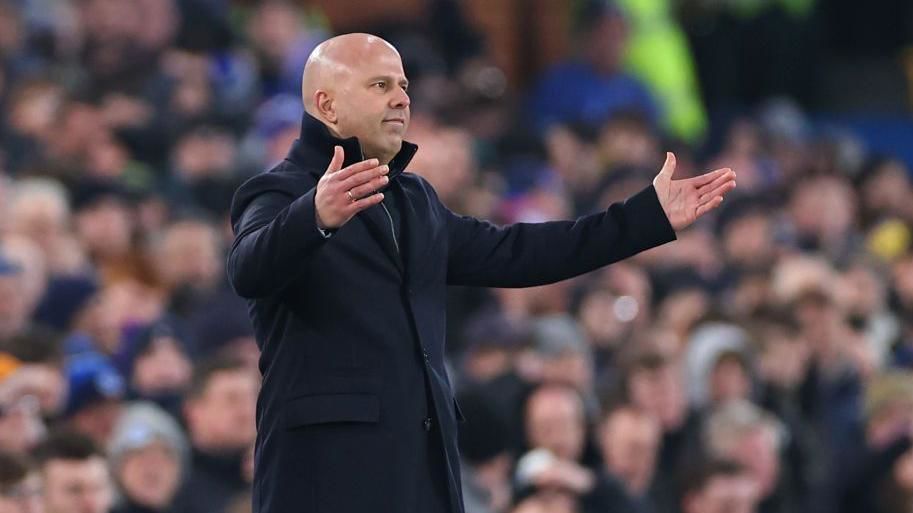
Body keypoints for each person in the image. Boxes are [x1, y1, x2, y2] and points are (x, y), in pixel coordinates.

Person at [227, 32, 736, 513]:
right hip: (326, 480)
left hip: (421, 475)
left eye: (403, 86)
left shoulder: (414, 200)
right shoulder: (278, 192)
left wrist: (646, 218)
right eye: (380, 85)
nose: (401, 99)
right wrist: (314, 217)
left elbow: (519, 253)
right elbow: (248, 270)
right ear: (327, 105)